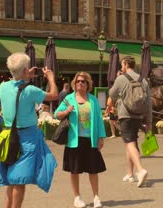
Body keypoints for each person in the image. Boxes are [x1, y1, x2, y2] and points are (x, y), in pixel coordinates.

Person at [0, 52, 58, 208]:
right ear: (24, 71)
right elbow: (54, 95)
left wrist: (25, 76)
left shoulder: (3, 87)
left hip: (7, 135)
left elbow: (14, 86)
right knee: (19, 181)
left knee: (10, 179)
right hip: (27, 138)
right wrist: (51, 78)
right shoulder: (30, 90)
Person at [55, 72, 106, 208]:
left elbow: (99, 120)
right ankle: (77, 197)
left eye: (83, 81)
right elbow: (57, 114)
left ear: (88, 84)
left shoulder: (93, 100)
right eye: (78, 81)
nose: (80, 83)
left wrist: (101, 137)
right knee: (74, 170)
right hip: (74, 140)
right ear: (74, 84)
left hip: (91, 140)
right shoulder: (69, 99)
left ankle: (96, 197)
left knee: (93, 170)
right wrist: (66, 111)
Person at [109, 56, 151, 187]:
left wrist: (118, 78)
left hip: (125, 114)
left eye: (122, 64)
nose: (121, 67)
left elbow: (112, 94)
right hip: (138, 115)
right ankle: (130, 174)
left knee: (129, 143)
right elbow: (149, 103)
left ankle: (140, 170)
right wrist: (149, 122)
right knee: (131, 142)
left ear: (126, 64)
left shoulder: (121, 78)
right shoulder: (143, 80)